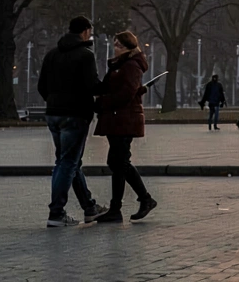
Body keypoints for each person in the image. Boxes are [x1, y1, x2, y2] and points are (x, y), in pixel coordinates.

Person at [38, 16, 108, 226]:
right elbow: (92, 86)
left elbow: (42, 85)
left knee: (70, 161)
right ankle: (56, 213)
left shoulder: (51, 55)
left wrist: (53, 101)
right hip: (76, 114)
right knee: (67, 162)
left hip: (54, 113)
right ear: (86, 31)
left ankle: (89, 207)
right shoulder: (85, 55)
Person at [92, 31, 156, 223]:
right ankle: (120, 207)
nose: (116, 48)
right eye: (115, 44)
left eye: (119, 45)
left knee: (119, 162)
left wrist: (102, 102)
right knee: (117, 163)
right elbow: (109, 87)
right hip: (117, 119)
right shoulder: (119, 65)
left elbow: (126, 93)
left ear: (129, 47)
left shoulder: (131, 65)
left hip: (124, 120)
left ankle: (142, 199)